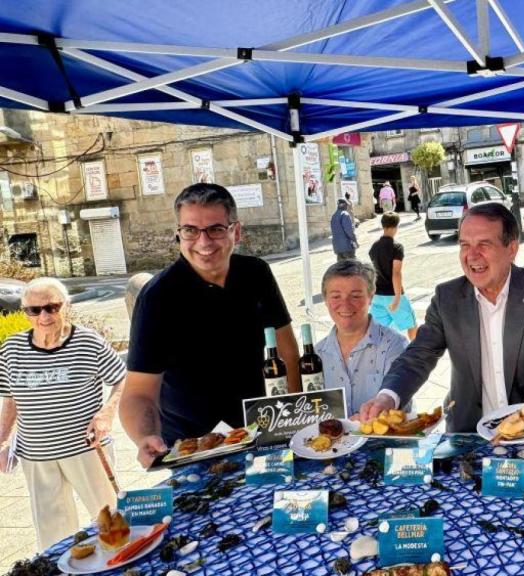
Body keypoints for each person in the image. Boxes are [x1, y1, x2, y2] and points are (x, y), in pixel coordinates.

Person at [357, 203, 524, 432]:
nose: (471, 255)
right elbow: (418, 356)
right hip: (471, 433)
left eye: (484, 244)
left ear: (511, 248)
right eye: (465, 245)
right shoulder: (447, 297)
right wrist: (388, 397)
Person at [121, 183, 300, 468]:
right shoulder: (157, 297)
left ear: (236, 231)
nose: (203, 242)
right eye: (190, 230)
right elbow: (139, 393)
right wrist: (145, 436)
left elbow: (288, 352)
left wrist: (295, 421)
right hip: (194, 450)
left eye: (216, 229)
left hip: (265, 437)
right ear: (178, 234)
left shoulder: (256, 273)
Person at [0, 278, 126, 550]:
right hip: (36, 455)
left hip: (86, 448)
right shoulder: (11, 349)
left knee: (110, 521)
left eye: (51, 307)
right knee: (53, 536)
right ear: (25, 312)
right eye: (34, 310)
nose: (43, 316)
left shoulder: (88, 342)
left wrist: (106, 414)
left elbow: (121, 379)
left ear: (66, 306)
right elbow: (10, 400)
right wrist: (2, 442)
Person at [316, 260, 408, 416]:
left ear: (371, 297)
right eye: (336, 296)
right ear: (325, 300)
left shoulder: (394, 346)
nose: (345, 304)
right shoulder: (316, 355)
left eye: (355, 296)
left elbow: (402, 408)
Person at [369, 212, 418, 340]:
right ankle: (416, 354)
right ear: (396, 227)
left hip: (377, 296)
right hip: (392, 294)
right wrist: (397, 298)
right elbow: (396, 273)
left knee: (380, 331)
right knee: (411, 324)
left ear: (383, 225)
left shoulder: (374, 247)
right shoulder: (396, 247)